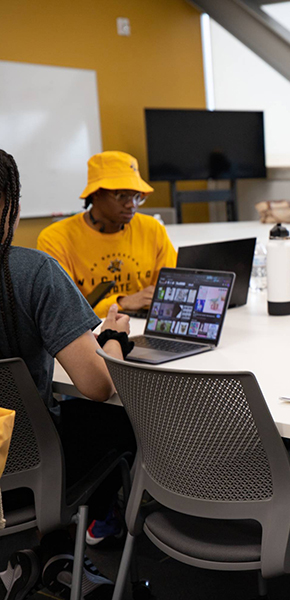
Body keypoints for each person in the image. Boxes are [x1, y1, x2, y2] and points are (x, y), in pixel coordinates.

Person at [0, 149, 137, 599]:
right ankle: (69, 549)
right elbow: (96, 385)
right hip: (20, 466)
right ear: (13, 206)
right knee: (119, 420)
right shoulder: (32, 272)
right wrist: (114, 337)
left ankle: (38, 556)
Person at [37, 151, 177, 318]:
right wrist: (122, 303)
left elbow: (172, 289)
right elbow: (65, 310)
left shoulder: (152, 229)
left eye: (137, 196)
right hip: (91, 334)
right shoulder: (56, 238)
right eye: (122, 195)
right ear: (96, 194)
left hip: (144, 326)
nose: (131, 204)